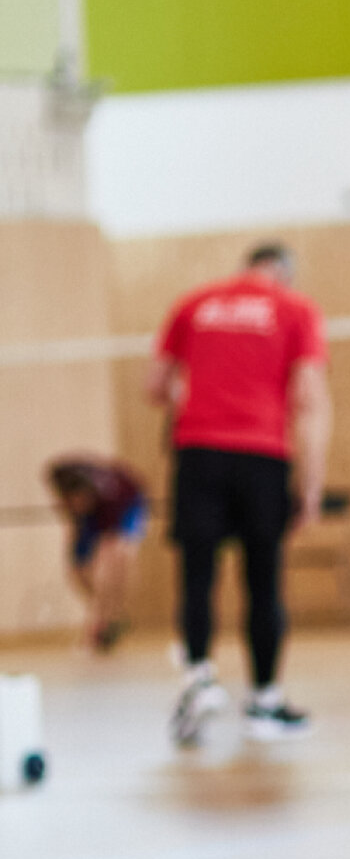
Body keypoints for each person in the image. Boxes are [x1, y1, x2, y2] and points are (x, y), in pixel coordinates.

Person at [149, 239, 331, 744]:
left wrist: (195, 398)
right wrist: (311, 485)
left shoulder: (194, 303)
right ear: (285, 273)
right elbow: (309, 399)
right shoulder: (296, 309)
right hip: (262, 455)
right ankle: (265, 701)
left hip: (198, 452)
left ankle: (199, 679)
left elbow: (155, 385)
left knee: (196, 574)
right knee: (263, 581)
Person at [43, 454, 149, 650]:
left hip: (128, 504)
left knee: (117, 560)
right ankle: (106, 615)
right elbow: (76, 550)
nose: (76, 506)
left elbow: (108, 555)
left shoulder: (112, 503)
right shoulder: (59, 476)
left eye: (80, 502)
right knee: (79, 568)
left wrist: (98, 614)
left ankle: (109, 617)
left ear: (89, 496)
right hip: (92, 509)